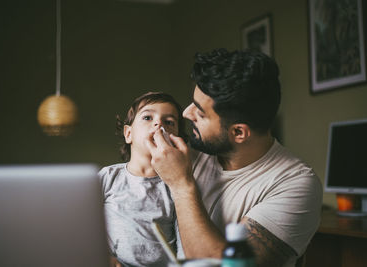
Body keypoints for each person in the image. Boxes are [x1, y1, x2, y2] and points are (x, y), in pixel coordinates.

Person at [146, 49, 323, 267]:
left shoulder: (296, 185)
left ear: (238, 132)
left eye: (200, 113)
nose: (186, 113)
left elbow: (223, 265)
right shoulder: (190, 152)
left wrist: (181, 185)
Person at [99, 92, 185, 267]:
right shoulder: (108, 178)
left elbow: (184, 244)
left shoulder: (176, 185)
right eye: (147, 117)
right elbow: (82, 227)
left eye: (169, 122)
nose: (158, 123)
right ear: (128, 134)